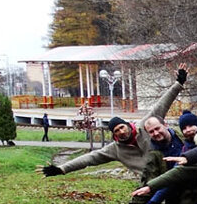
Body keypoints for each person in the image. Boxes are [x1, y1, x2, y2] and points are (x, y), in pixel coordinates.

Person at [39, 68, 187, 180]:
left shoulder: (145, 126)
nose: (121, 131)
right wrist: (62, 168)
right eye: (117, 131)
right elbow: (90, 158)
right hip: (150, 182)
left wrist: (178, 83)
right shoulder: (115, 149)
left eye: (122, 127)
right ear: (114, 135)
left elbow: (161, 105)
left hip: (171, 172)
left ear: (127, 125)